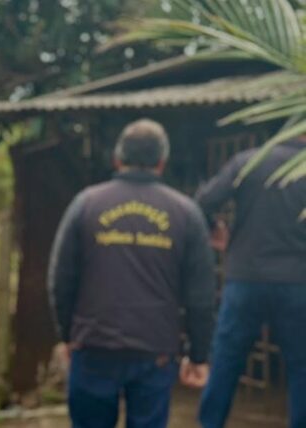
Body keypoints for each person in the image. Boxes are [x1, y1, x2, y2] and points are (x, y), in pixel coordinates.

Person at [48, 119, 216, 428]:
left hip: (94, 345)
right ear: (162, 162)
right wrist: (198, 354)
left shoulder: (86, 204)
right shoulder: (185, 213)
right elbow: (201, 295)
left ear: (117, 159)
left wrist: (68, 336)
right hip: (155, 350)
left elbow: (61, 280)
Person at [196, 139, 306, 428]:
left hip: (246, 278)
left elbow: (203, 202)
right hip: (298, 281)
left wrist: (215, 228)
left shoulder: (249, 161)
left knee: (226, 361)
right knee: (301, 366)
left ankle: (210, 423)